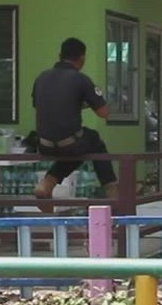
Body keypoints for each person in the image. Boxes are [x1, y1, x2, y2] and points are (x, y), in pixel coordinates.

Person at [29, 37, 114, 211]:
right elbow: (103, 112)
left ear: (60, 56)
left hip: (43, 144)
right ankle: (112, 190)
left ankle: (47, 183)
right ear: (82, 58)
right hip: (69, 143)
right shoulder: (81, 79)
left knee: (76, 147)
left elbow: (43, 106)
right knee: (93, 141)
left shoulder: (41, 78)